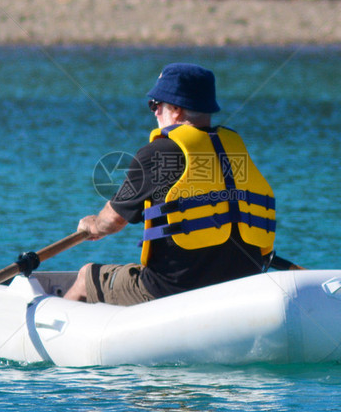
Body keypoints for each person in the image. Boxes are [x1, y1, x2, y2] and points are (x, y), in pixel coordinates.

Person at [63, 63, 277, 305]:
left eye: (155, 104)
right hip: (241, 285)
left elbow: (111, 221)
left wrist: (91, 225)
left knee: (85, 277)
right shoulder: (234, 152)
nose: (154, 112)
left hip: (172, 290)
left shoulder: (159, 153)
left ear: (175, 108)